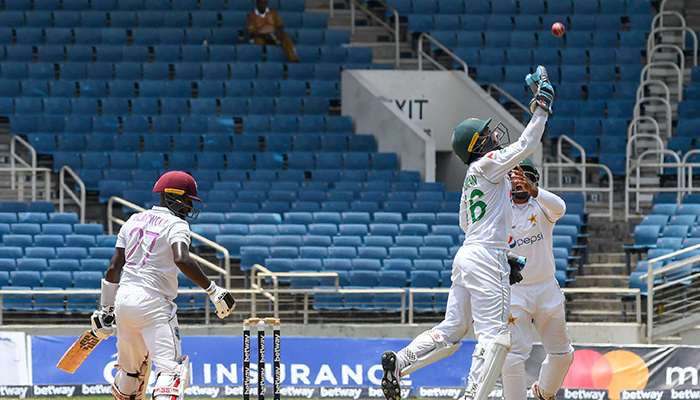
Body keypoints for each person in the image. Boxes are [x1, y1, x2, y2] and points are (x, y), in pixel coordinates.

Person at [380, 66, 555, 400]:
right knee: (496, 338)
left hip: (468, 256)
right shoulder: (488, 165)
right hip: (486, 259)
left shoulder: (473, 179)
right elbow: (526, 143)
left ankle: (400, 362)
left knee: (453, 330)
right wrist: (542, 108)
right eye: (487, 135)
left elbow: (466, 223)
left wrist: (506, 254)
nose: (493, 136)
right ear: (479, 145)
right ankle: (473, 396)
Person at [90, 171, 236, 400]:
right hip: (154, 305)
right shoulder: (176, 225)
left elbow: (114, 268)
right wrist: (213, 290)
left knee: (131, 373)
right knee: (171, 372)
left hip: (123, 302)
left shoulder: (133, 220)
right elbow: (181, 258)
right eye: (188, 201)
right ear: (174, 197)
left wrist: (106, 310)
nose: (189, 208)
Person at [502, 159, 574, 400]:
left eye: (526, 178)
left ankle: (544, 393)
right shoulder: (499, 209)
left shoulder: (542, 206)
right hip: (515, 292)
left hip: (546, 289)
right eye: (514, 178)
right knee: (512, 357)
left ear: (534, 181)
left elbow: (561, 207)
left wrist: (535, 191)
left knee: (563, 354)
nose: (520, 183)